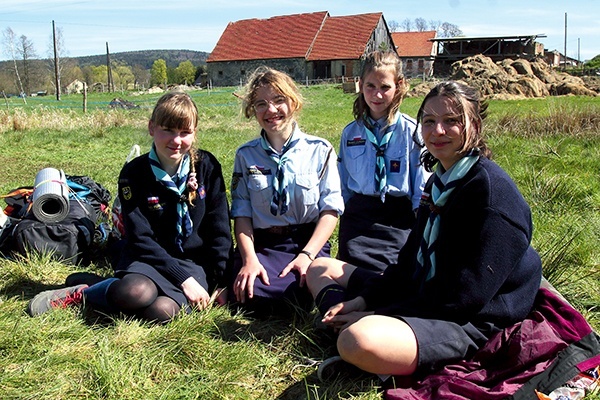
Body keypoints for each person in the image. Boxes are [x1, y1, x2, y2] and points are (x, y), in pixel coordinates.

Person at [306, 81, 542, 379]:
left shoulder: (489, 194)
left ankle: (368, 348)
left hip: (472, 319)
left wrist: (380, 313)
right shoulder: (438, 183)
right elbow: (407, 264)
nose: (437, 130)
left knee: (357, 340)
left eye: (451, 121)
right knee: (320, 268)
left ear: (475, 125)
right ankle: (343, 324)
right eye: (429, 121)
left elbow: (463, 299)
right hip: (424, 290)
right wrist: (361, 301)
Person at [27, 92, 233, 323]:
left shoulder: (207, 166)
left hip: (193, 262)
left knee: (161, 312)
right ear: (151, 128)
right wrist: (183, 280)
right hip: (148, 257)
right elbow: (140, 239)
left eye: (185, 132)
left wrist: (221, 281)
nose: (176, 141)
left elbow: (220, 230)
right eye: (167, 130)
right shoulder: (134, 173)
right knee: (135, 293)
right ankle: (83, 294)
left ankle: (98, 284)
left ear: (195, 133)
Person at [229, 66, 344, 318]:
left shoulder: (320, 150)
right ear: (252, 111)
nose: (271, 110)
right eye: (261, 104)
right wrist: (249, 259)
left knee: (296, 294)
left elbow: (330, 210)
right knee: (252, 291)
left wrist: (307, 255)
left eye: (279, 100)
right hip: (264, 244)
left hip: (306, 241)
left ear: (294, 103)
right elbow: (242, 213)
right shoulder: (245, 155)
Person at [337, 50, 427, 272]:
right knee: (350, 272)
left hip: (398, 218)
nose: (377, 95)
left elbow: (420, 185)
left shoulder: (413, 132)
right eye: (370, 87)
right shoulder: (350, 134)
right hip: (359, 217)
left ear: (399, 85)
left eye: (385, 87)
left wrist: (419, 226)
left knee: (394, 273)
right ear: (360, 84)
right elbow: (343, 182)